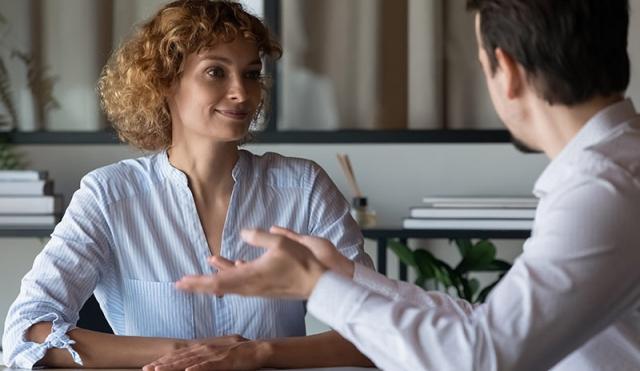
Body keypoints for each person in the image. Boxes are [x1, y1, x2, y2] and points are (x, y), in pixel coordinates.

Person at [171, 0, 640, 370]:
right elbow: (490, 329)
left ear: (507, 71)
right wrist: (350, 278)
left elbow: (478, 358)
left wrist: (316, 287)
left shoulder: (603, 190)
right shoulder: (613, 172)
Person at [1, 0, 374, 369]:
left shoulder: (303, 188)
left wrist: (258, 353)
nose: (241, 93)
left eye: (250, 73)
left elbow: (376, 328)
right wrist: (183, 350)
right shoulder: (108, 196)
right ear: (164, 82)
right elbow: (25, 331)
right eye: (216, 72)